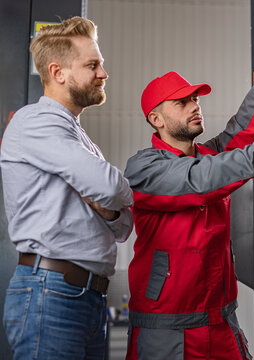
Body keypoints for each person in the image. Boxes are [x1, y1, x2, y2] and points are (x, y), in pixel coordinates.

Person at [1, 17, 133, 359]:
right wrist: (110, 193)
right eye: (93, 65)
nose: (103, 73)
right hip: (53, 293)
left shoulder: (79, 139)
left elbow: (122, 225)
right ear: (58, 73)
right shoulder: (36, 122)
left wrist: (110, 203)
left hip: (84, 297)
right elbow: (109, 186)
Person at [123, 72, 254, 359]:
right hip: (166, 331)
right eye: (182, 102)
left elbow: (245, 126)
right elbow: (201, 180)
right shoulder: (143, 169)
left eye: (195, 99)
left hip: (221, 322)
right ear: (156, 119)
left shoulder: (210, 155)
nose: (195, 106)